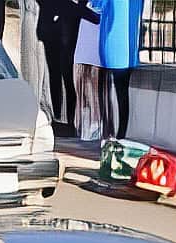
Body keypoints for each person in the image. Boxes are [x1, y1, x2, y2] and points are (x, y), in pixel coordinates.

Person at [37, 0, 96, 134]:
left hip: (66, 35)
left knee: (66, 79)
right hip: (52, 32)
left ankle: (68, 120)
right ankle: (58, 117)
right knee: (55, 76)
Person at [97, 0, 146, 140]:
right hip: (129, 49)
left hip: (112, 44)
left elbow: (96, 6)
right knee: (122, 92)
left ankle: (116, 134)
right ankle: (121, 134)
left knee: (112, 92)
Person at [72, 0, 107, 139]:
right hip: (87, 26)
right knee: (82, 79)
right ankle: (86, 125)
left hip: (99, 24)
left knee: (94, 80)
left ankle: (96, 123)